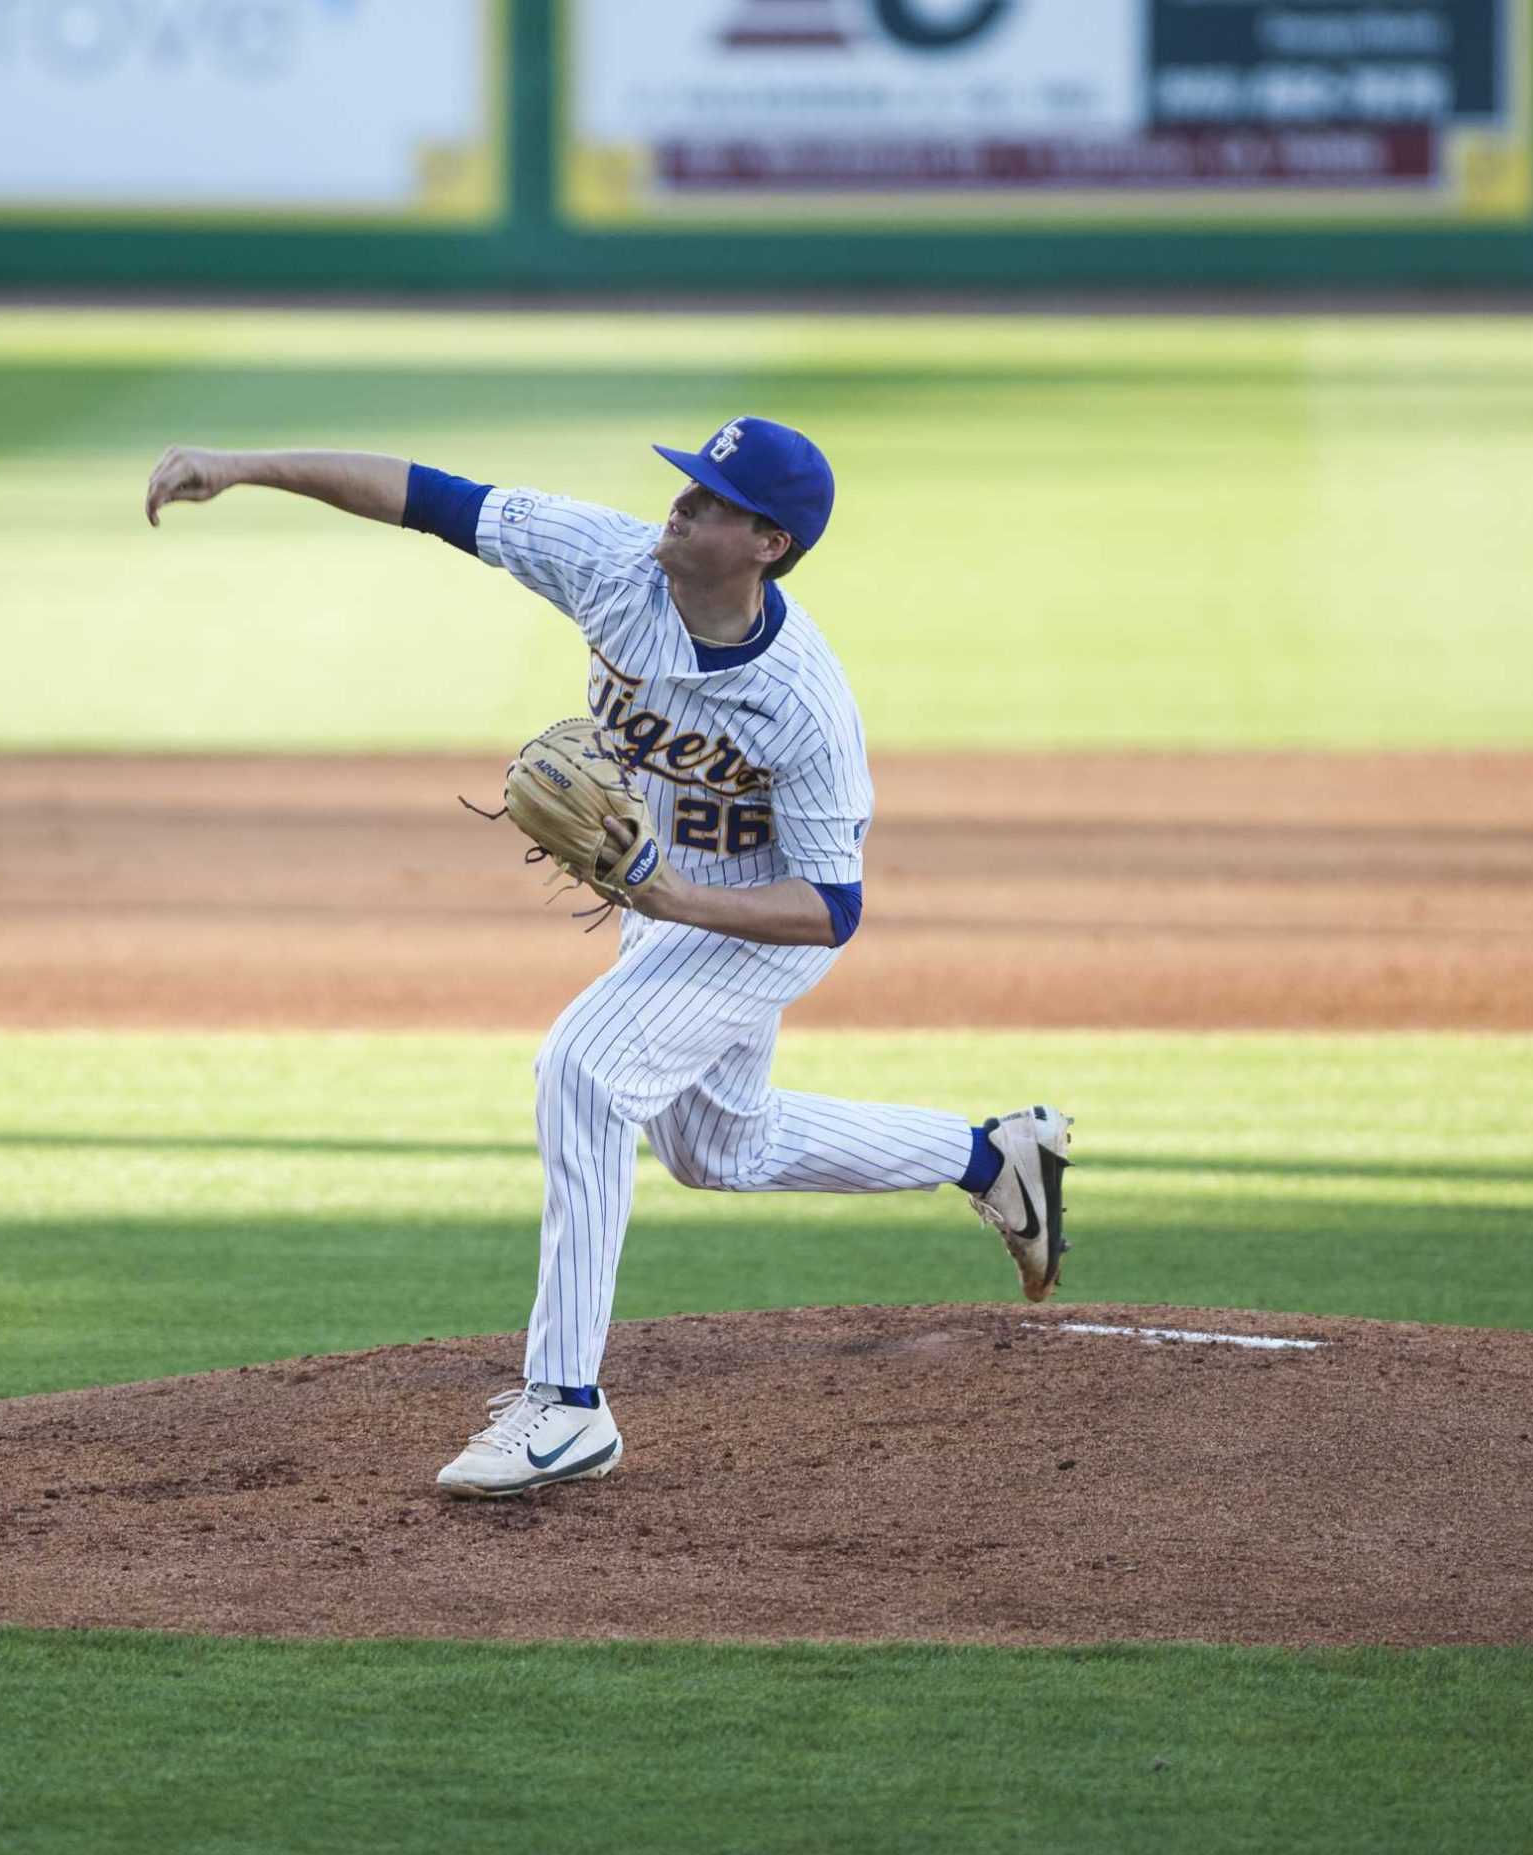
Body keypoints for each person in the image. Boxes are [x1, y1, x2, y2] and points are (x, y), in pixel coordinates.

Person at [144, 420, 1071, 1497]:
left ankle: (565, 1407)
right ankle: (990, 1158)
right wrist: (245, 467)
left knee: (582, 1071)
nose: (681, 505)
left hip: (759, 923)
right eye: (688, 485)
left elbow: (832, 907)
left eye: (713, 500)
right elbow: (433, 496)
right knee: (718, 1150)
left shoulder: (804, 704)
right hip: (659, 899)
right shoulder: (609, 561)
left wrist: (673, 895)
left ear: (768, 543)